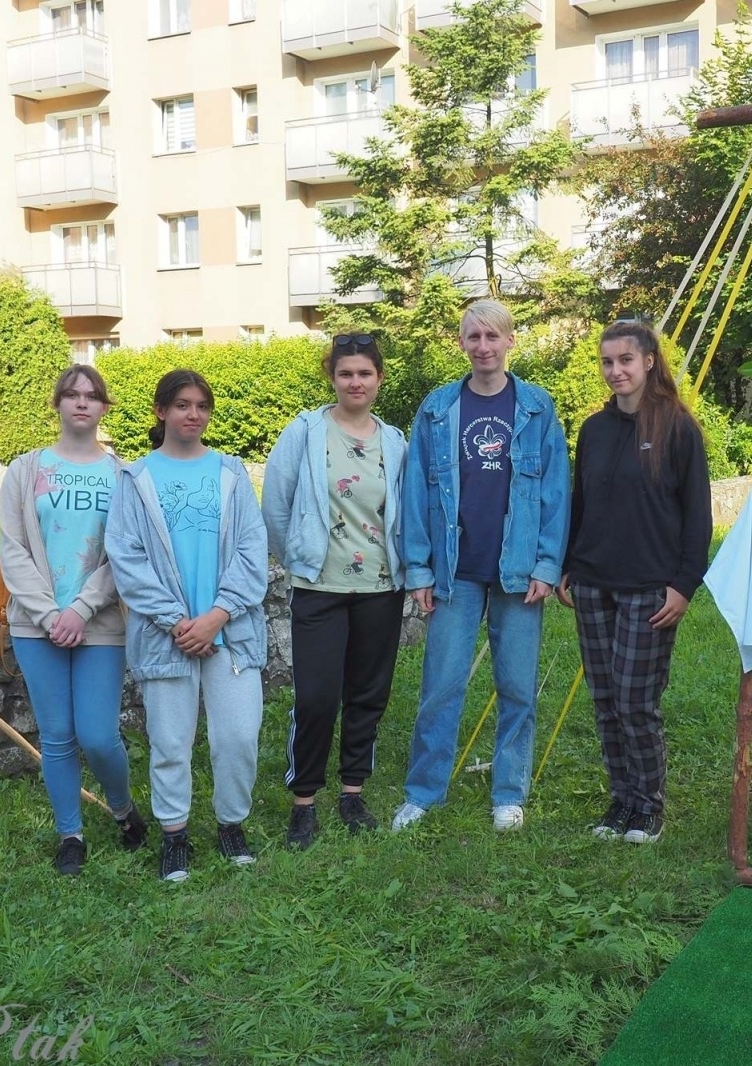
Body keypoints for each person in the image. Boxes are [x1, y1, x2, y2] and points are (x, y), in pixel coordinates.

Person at [393, 299, 570, 833]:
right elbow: (416, 491)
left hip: (518, 571)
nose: (484, 346)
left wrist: (546, 564)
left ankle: (509, 793)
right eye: (474, 337)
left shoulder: (536, 407)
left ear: (510, 341)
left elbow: (556, 492)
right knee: (441, 686)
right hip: (455, 571)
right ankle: (424, 792)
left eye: (493, 336)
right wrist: (419, 568)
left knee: (516, 686)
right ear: (462, 343)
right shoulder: (438, 408)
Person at [105, 369, 270, 882]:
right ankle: (174, 835)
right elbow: (127, 558)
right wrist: (178, 622)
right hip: (167, 637)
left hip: (231, 632)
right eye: (182, 405)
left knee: (238, 735)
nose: (193, 414)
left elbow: (253, 548)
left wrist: (218, 614)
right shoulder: (136, 479)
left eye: (201, 405)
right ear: (161, 412)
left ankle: (230, 824)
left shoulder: (230, 473)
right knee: (170, 742)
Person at [555, 321, 711, 845]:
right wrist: (569, 564)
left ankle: (648, 806)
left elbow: (698, 517)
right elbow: (581, 503)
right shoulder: (594, 431)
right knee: (605, 701)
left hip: (650, 589)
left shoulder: (678, 428)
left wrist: (684, 585)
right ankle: (620, 800)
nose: (615, 370)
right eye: (607, 362)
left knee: (635, 702)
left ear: (648, 361)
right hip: (592, 583)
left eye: (625, 360)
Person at [0, 364, 144, 875]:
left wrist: (80, 609)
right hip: (36, 625)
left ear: (104, 407)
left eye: (92, 395)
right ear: (57, 403)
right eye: (72, 394)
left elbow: (126, 553)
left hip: (99, 624)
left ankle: (122, 808)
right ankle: (71, 835)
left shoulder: (123, 476)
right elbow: (13, 549)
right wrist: (50, 614)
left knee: (99, 735)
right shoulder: (25, 470)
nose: (82, 402)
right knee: (57, 735)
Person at [262, 333, 406, 850]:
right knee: (317, 696)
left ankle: (352, 792)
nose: (355, 382)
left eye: (365, 373)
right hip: (318, 585)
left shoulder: (395, 441)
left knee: (368, 693)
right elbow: (275, 504)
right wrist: (297, 556)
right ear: (333, 377)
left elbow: (404, 509)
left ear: (379, 378)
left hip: (381, 586)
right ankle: (304, 801)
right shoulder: (305, 432)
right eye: (346, 373)